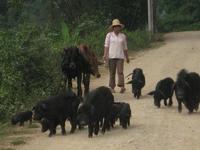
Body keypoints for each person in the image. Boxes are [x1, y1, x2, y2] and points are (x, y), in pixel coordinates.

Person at [103, 19, 130, 93]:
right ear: (113, 28)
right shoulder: (109, 35)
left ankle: (122, 86)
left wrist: (127, 57)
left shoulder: (123, 36)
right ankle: (111, 87)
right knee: (112, 73)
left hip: (120, 57)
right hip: (111, 56)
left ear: (120, 27)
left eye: (118, 26)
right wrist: (105, 55)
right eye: (115, 27)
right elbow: (106, 46)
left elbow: (125, 47)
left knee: (120, 72)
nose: (117, 28)